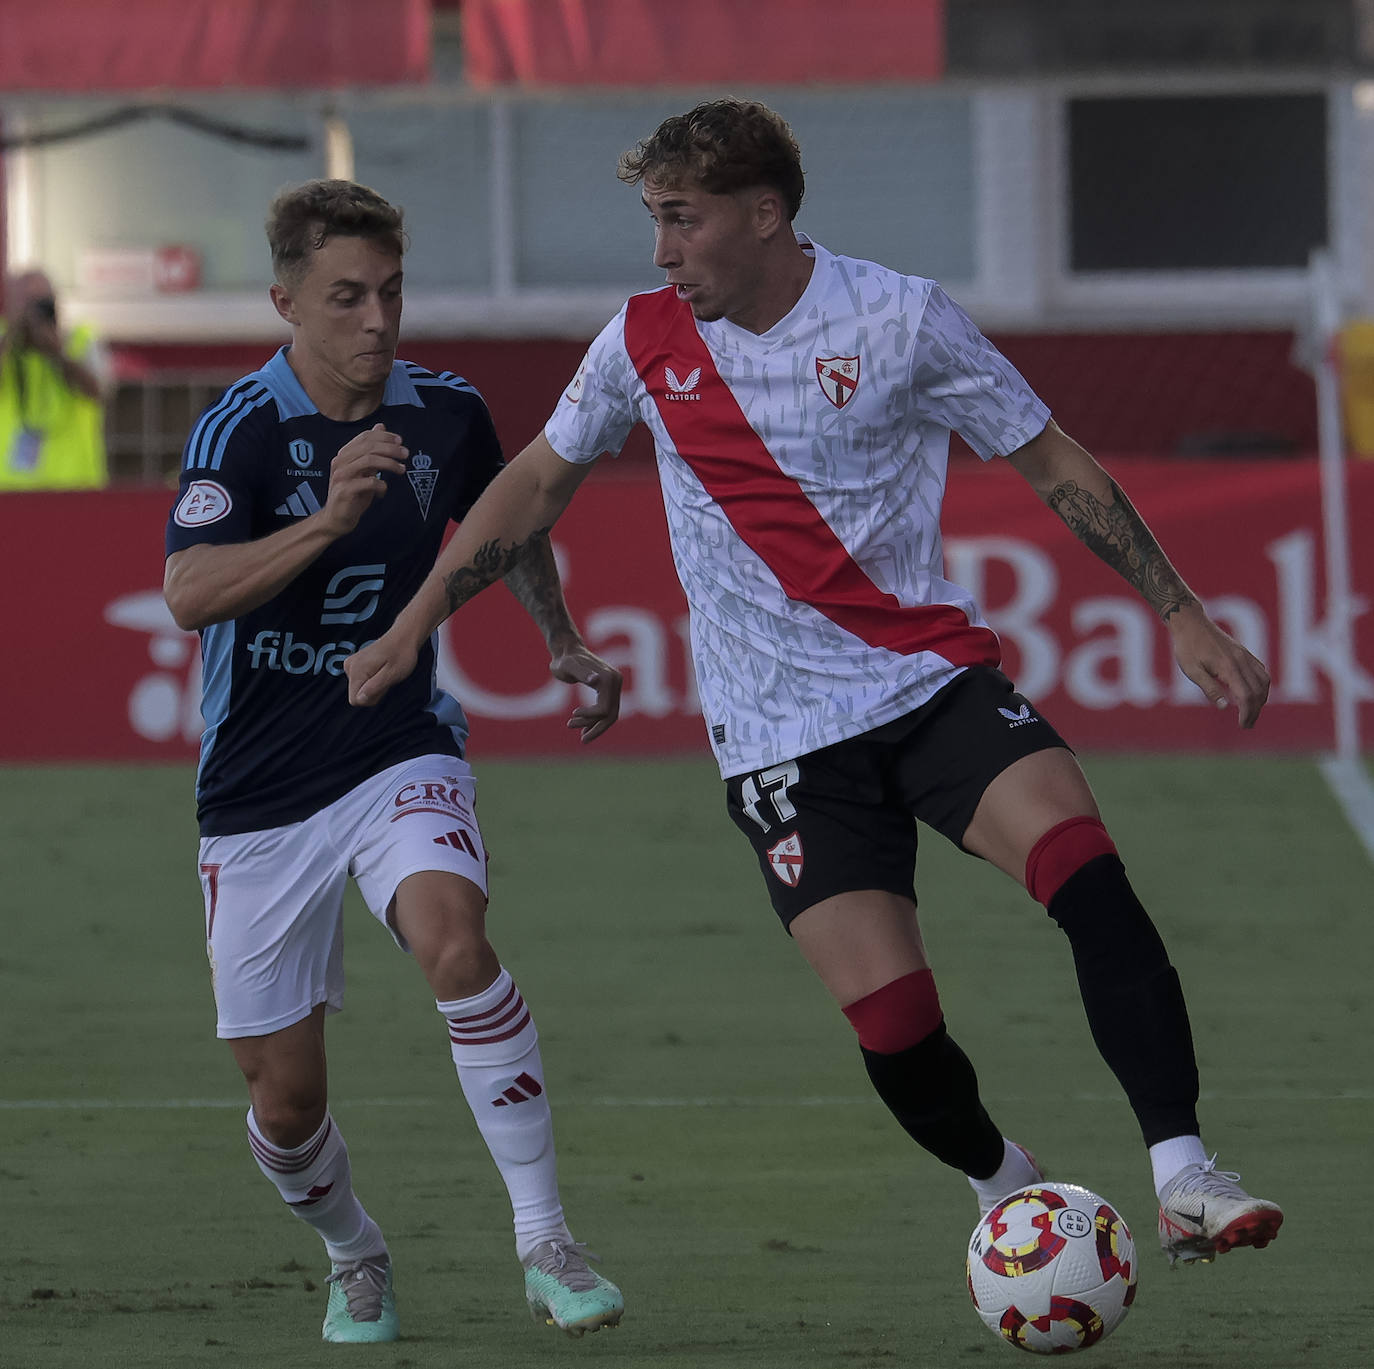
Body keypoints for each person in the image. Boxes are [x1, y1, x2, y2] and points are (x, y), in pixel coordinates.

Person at [344, 101, 1284, 1273]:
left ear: (766, 212)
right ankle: (1009, 1188)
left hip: (930, 683)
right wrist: (417, 619)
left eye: (681, 220)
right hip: (782, 742)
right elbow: (534, 486)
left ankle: (1183, 1170)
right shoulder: (639, 341)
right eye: (654, 222)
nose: (662, 251)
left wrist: (1179, 608)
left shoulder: (900, 317)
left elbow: (1049, 459)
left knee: (1088, 876)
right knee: (895, 1027)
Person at [162, 179, 626, 1345]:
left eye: (392, 291)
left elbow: (506, 524)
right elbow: (188, 592)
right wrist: (323, 519)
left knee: (455, 941)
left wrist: (560, 638)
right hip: (259, 798)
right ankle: (353, 1251)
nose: (378, 319)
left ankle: (547, 1240)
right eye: (346, 297)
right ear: (286, 302)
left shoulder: (448, 413)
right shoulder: (240, 430)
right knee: (284, 1099)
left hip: (397, 750)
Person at [0, 267, 110, 490]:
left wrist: (58, 353)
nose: (33, 314)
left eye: (40, 303)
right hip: (11, 491)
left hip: (74, 487)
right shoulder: (4, 342)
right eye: (25, 303)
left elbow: (98, 391)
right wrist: (11, 338)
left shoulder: (79, 339)